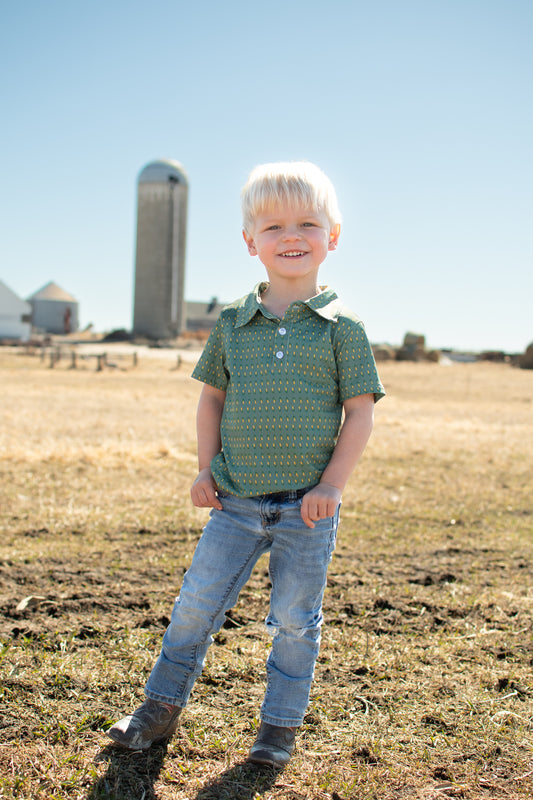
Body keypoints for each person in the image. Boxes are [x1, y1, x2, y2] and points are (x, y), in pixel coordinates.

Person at [107, 161, 385, 766]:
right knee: (195, 606)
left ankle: (277, 729)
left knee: (292, 622)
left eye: (309, 223)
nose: (292, 235)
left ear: (332, 237)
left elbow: (359, 414)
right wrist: (205, 470)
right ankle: (158, 710)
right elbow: (212, 398)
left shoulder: (344, 329)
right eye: (274, 225)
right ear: (249, 241)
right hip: (234, 501)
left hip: (306, 509)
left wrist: (332, 487)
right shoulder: (233, 323)